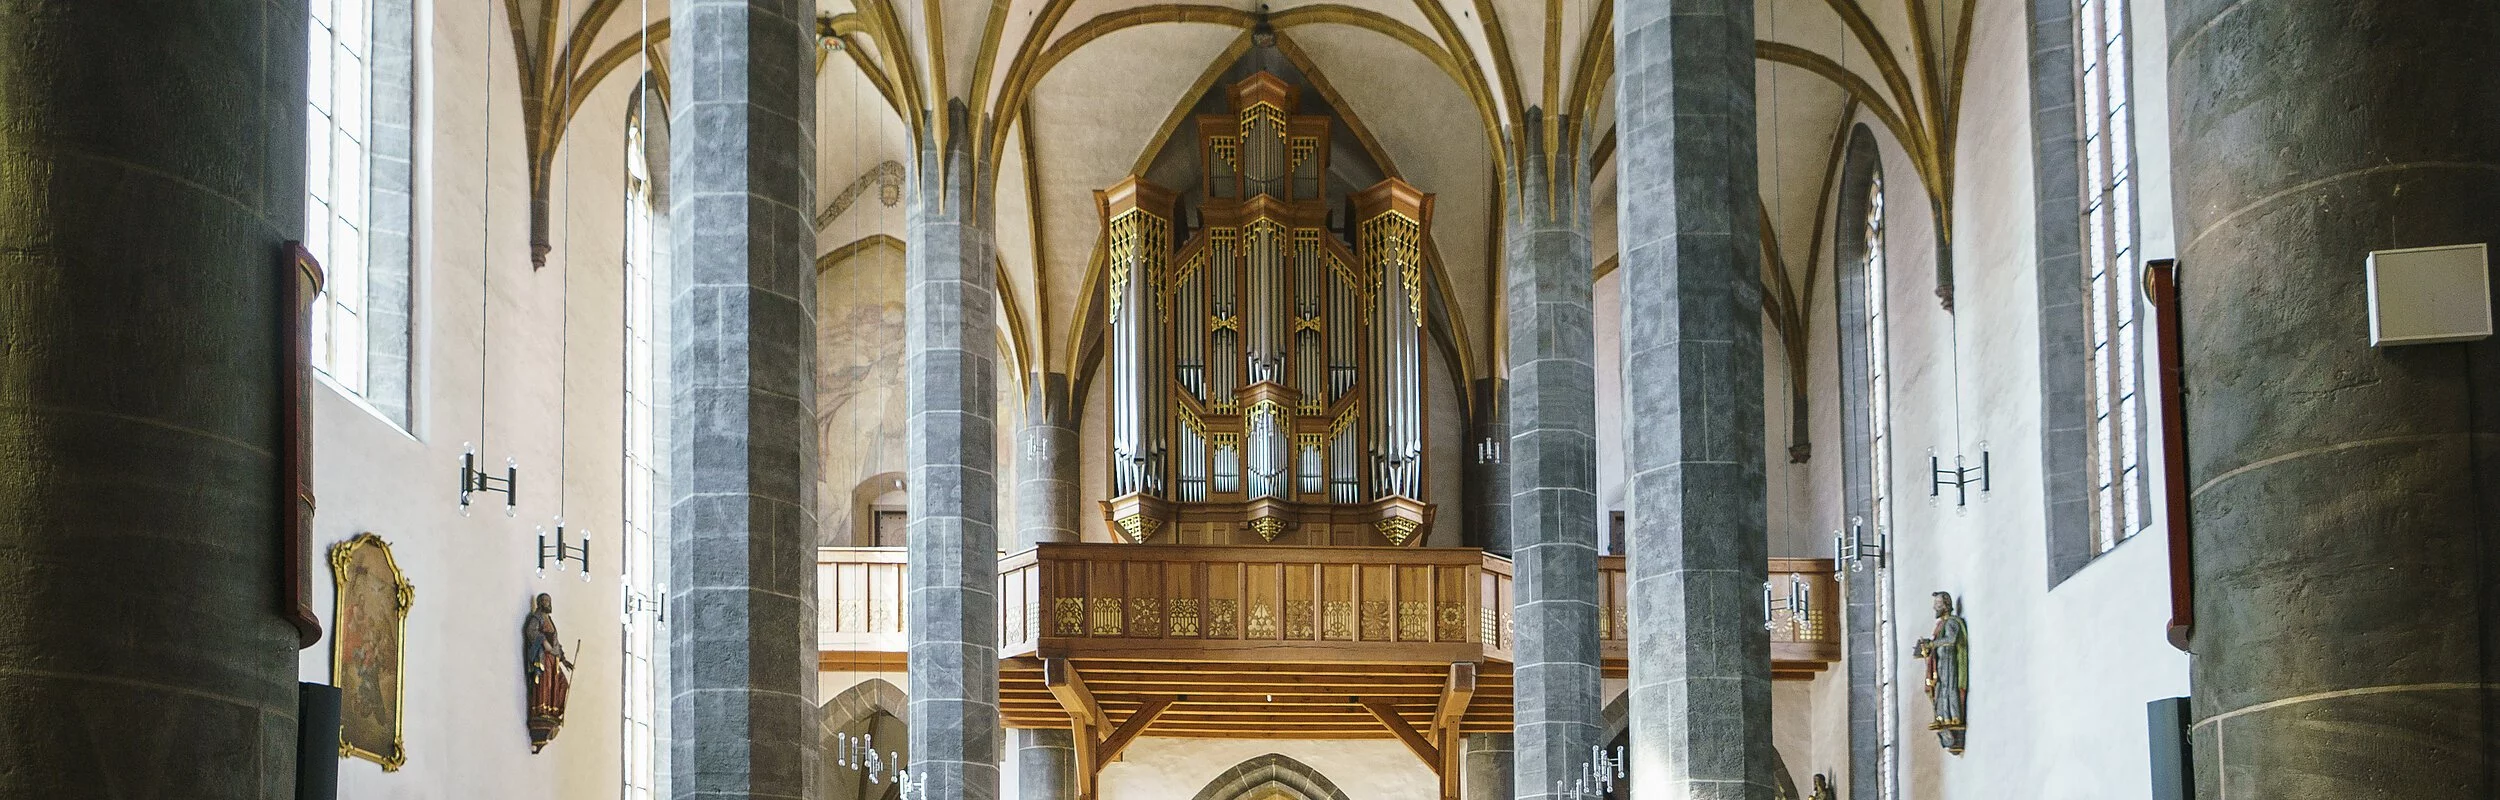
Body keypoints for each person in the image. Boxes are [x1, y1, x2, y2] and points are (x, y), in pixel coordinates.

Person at [1912, 591, 1969, 754]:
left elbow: (1951, 640)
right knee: (1939, 692)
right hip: (1940, 663)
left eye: (1937, 604)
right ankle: (1943, 719)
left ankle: (1954, 718)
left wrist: (1932, 644)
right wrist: (1924, 649)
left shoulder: (1951, 622)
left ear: (1945, 606)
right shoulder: (1940, 625)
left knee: (1948, 690)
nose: (1934, 607)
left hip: (1949, 662)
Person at [523, 593, 574, 753]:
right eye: (544, 601)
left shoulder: (549, 620)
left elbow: (556, 643)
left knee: (561, 685)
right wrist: (544, 642)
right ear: (539, 603)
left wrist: (564, 660)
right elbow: (531, 631)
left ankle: (552, 713)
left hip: (553, 660)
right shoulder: (537, 617)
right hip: (543, 658)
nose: (546, 603)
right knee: (544, 685)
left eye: (548, 601)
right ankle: (541, 711)